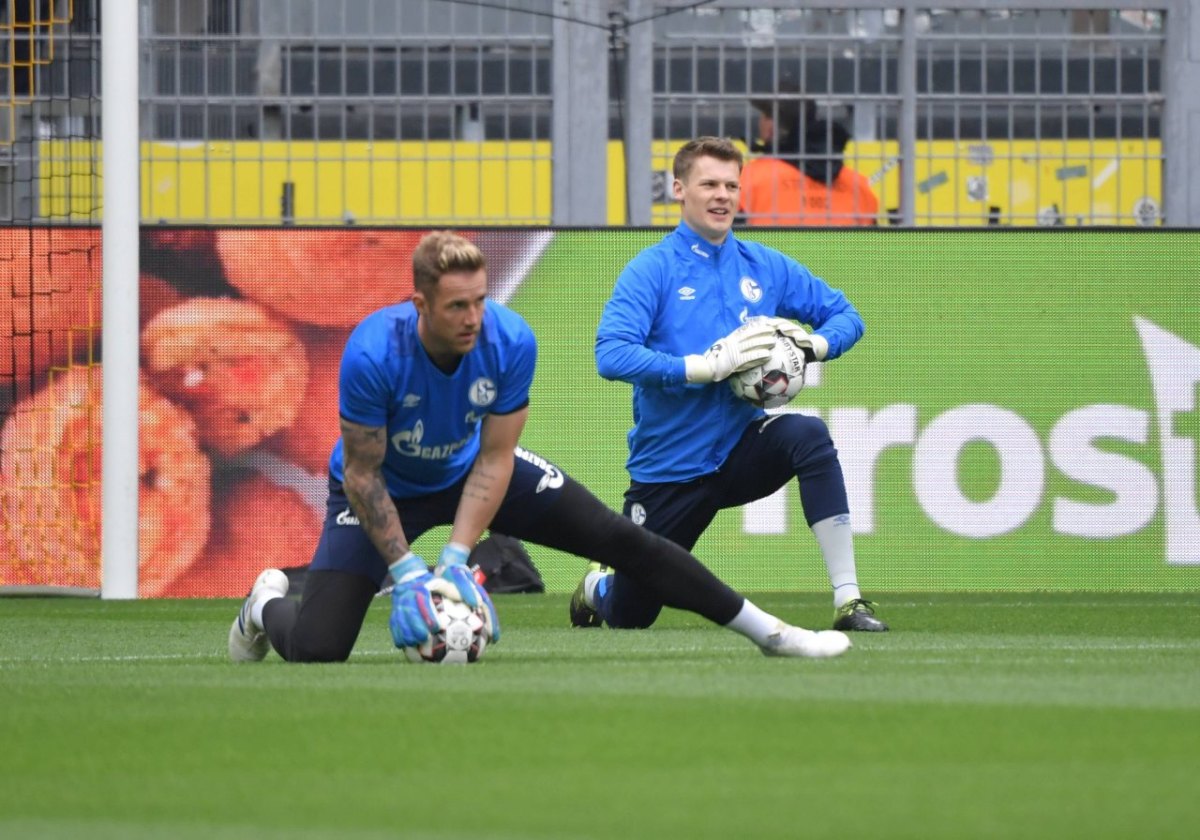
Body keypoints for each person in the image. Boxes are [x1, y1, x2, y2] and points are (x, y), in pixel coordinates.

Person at [228, 230, 853, 663]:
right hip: (382, 488)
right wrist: (408, 570)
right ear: (419, 305)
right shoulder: (372, 353)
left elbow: (496, 458)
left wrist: (454, 558)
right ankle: (265, 603)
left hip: (471, 468)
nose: (473, 318)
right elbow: (362, 476)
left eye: (479, 301)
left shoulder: (509, 340)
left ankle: (772, 635)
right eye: (455, 307)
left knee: (622, 539)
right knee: (319, 648)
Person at [573, 136, 888, 634]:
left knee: (808, 436)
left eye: (731, 185)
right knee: (631, 617)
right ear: (679, 189)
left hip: (741, 451)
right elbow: (610, 355)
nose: (722, 195)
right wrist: (701, 367)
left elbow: (845, 315)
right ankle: (599, 588)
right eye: (708, 184)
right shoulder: (651, 270)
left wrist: (813, 348)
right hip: (670, 471)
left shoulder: (765, 265)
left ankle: (849, 601)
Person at [739, 79, 879, 226]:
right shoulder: (859, 187)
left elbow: (723, 240)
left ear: (770, 126)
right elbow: (878, 245)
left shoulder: (748, 180)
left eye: (765, 116)